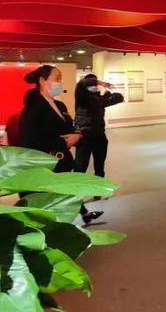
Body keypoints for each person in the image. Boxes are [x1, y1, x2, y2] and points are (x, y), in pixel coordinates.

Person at [18, 65, 102, 225]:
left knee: (67, 191)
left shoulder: (60, 106)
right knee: (52, 202)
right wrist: (62, 142)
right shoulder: (33, 109)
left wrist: (77, 136)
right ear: (42, 81)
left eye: (60, 79)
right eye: (57, 79)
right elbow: (30, 140)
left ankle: (84, 214)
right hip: (44, 168)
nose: (60, 83)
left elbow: (71, 129)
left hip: (62, 163)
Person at [74, 74, 124, 183]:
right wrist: (100, 82)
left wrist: (109, 92)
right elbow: (82, 83)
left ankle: (99, 187)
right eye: (92, 84)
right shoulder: (81, 97)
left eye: (95, 84)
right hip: (84, 135)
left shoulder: (98, 99)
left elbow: (119, 97)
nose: (94, 86)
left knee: (99, 166)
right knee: (80, 166)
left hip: (99, 135)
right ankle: (76, 188)